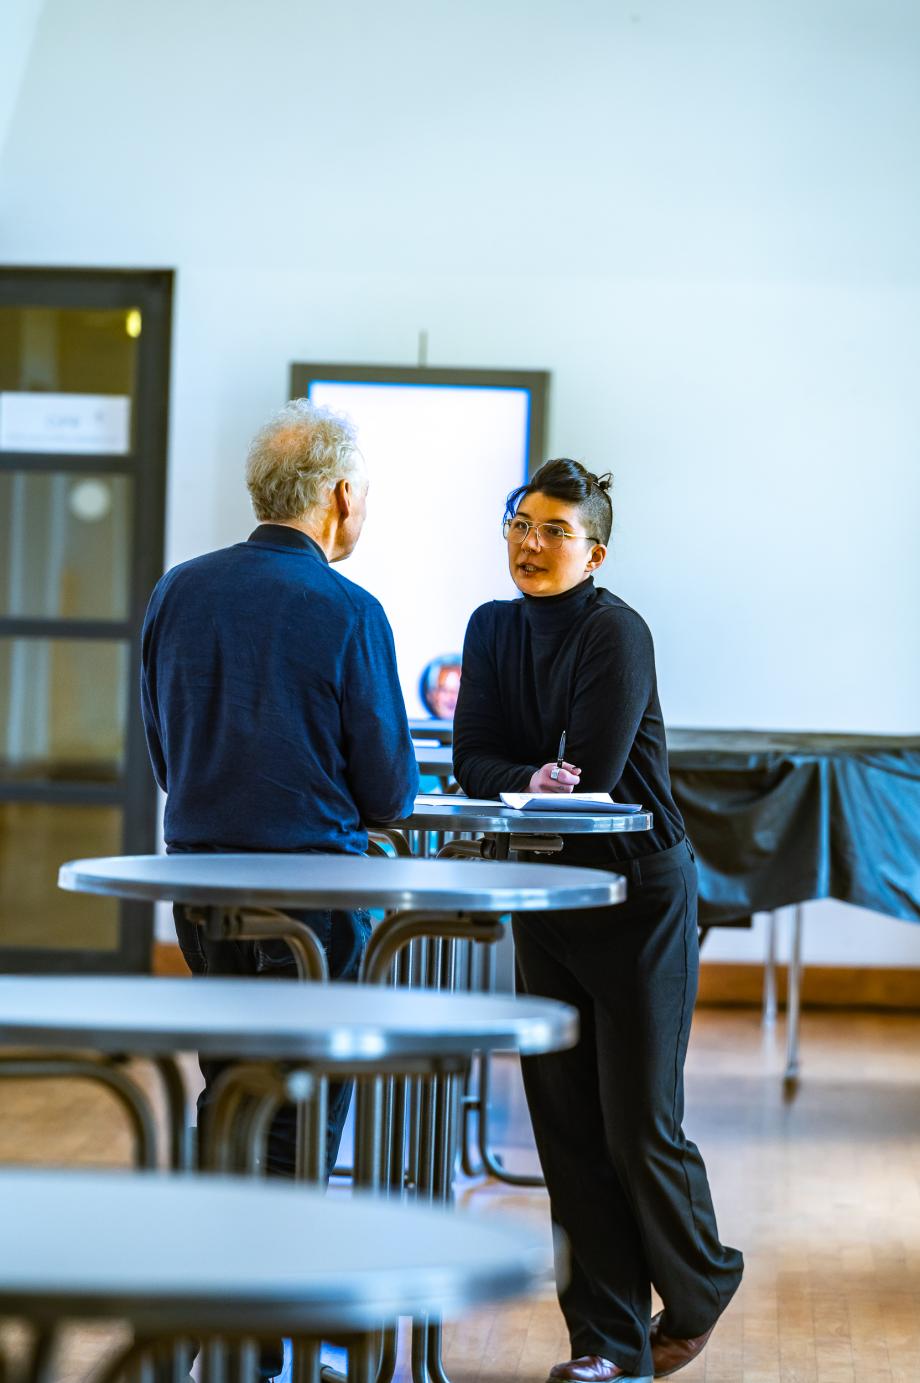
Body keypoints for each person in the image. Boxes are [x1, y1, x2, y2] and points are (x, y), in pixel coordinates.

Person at [453, 458, 742, 1382]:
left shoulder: (619, 632)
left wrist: (526, 774)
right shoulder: (490, 627)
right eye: (520, 523)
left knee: (638, 1122)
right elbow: (474, 759)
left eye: (553, 531)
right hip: (548, 894)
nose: (530, 544)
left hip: (637, 892)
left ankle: (703, 1282)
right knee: (567, 1130)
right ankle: (605, 1344)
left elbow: (599, 767)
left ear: (596, 551)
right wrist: (525, 776)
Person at [141, 398, 418, 1185]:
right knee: (302, 1100)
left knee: (228, 1087)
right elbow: (390, 792)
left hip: (201, 894)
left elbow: (168, 756)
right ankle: (274, 1293)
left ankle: (216, 1284)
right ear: (337, 496)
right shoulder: (350, 611)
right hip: (314, 903)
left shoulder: (177, 592)